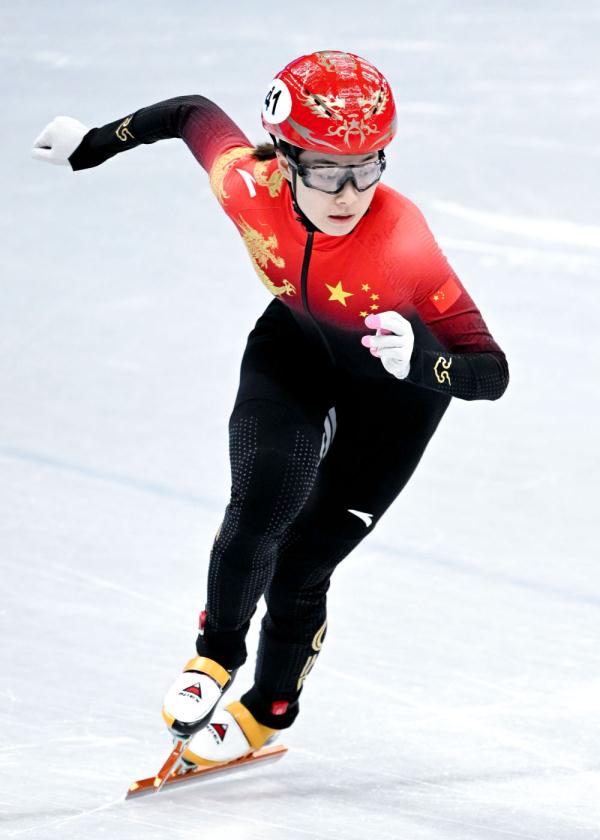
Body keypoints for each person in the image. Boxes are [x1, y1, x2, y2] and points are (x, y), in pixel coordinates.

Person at [32, 50, 508, 767]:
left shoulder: (402, 237)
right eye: (324, 170)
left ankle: (269, 707)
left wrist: (424, 363)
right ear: (282, 159)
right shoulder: (244, 183)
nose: (349, 193)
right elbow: (190, 113)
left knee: (302, 564)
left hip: (399, 388)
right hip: (296, 347)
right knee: (260, 498)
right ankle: (215, 653)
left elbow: (492, 371)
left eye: (368, 165)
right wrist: (92, 146)